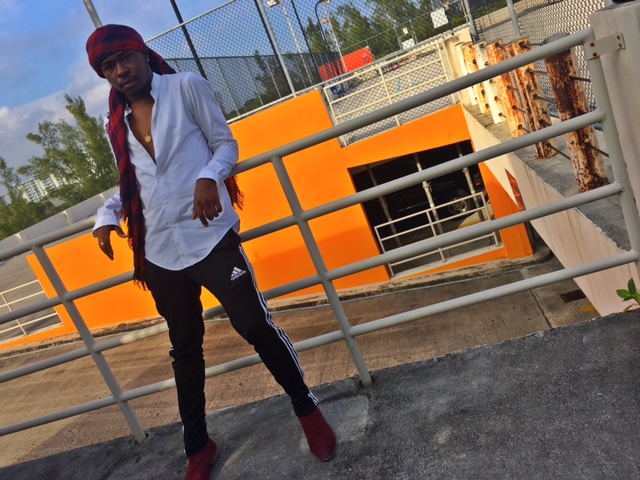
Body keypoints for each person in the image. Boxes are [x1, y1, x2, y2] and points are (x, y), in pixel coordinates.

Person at [86, 24, 336, 480]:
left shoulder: (186, 87)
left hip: (210, 237)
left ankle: (307, 410)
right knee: (184, 349)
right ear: (103, 75)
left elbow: (225, 144)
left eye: (125, 58)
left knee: (255, 325)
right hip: (160, 251)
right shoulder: (115, 124)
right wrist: (107, 215)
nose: (120, 70)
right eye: (108, 66)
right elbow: (132, 183)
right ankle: (198, 447)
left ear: (143, 55)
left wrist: (209, 176)